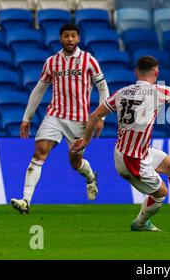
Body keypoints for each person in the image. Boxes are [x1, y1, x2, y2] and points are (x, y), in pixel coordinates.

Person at [71, 55, 170, 232]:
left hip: (132, 152)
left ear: (136, 72)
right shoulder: (158, 91)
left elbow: (95, 116)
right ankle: (140, 223)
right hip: (132, 160)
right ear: (156, 73)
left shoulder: (121, 93)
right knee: (160, 193)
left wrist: (86, 140)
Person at [11, 23, 110, 214]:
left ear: (78, 38)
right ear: (60, 38)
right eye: (66, 36)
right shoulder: (52, 62)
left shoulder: (89, 60)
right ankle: (26, 200)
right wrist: (27, 117)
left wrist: (101, 117)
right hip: (55, 115)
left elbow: (103, 88)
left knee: (75, 162)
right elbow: (39, 89)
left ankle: (90, 177)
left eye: (73, 36)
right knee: (39, 152)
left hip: (79, 120)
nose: (70, 39)